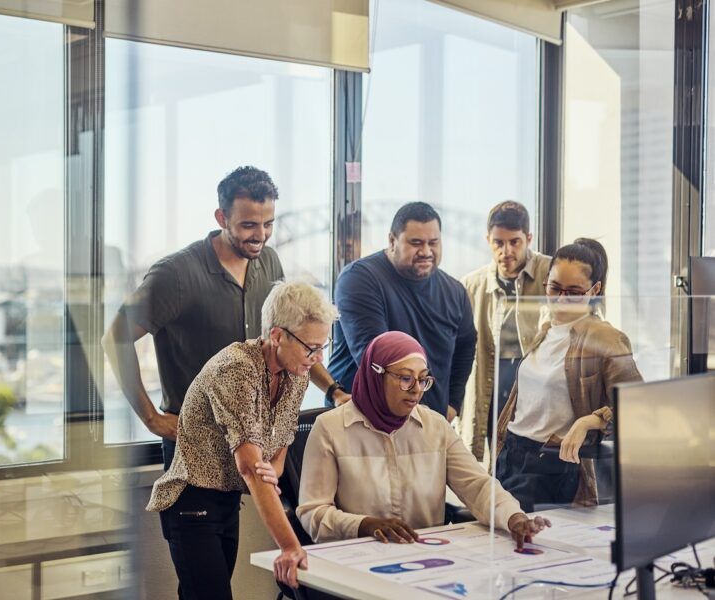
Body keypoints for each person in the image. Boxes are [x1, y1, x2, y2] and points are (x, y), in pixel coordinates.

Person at [147, 281, 338, 599]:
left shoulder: (295, 372)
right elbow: (249, 465)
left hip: (227, 501)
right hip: (192, 501)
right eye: (311, 347)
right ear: (277, 335)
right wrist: (290, 546)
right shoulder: (237, 369)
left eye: (323, 347)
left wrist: (271, 469)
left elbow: (280, 444)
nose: (318, 358)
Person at [102, 166, 284, 469]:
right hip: (193, 444)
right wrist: (151, 419)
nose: (261, 235)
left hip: (249, 440)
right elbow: (115, 338)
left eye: (269, 224)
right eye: (249, 225)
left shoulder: (269, 260)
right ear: (221, 218)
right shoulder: (174, 274)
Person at [297, 331, 549, 547]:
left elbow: (479, 486)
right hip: (356, 559)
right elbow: (313, 514)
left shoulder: (435, 427)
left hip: (427, 556)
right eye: (406, 378)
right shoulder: (330, 429)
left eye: (422, 379)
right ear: (377, 375)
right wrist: (364, 525)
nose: (417, 389)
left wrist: (513, 517)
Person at [495, 239, 643, 511]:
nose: (562, 300)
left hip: (550, 463)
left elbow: (638, 406)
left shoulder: (606, 339)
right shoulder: (547, 329)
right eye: (555, 288)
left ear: (594, 290)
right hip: (510, 454)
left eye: (574, 292)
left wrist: (591, 420)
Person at [319, 202, 476, 421]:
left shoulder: (454, 291)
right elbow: (376, 360)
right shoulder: (359, 279)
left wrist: (452, 404)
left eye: (433, 242)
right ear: (392, 241)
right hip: (361, 425)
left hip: (427, 428)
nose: (426, 251)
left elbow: (466, 345)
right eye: (416, 243)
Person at [460, 201, 551, 462]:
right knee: (492, 468)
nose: (506, 251)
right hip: (490, 391)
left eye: (515, 242)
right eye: (498, 243)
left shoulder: (550, 273)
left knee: (531, 467)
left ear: (529, 238)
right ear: (488, 239)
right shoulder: (471, 285)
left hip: (535, 392)